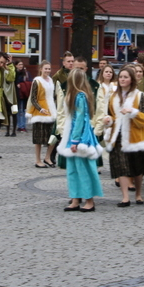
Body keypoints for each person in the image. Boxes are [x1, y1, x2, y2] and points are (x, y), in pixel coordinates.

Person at [101, 66, 144, 207]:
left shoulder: (139, 95)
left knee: (137, 167)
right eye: (121, 77)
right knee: (121, 166)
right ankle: (125, 197)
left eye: (126, 77)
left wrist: (132, 112)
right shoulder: (113, 96)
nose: (122, 79)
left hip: (135, 136)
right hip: (117, 135)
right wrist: (108, 120)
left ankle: (138, 194)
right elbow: (109, 114)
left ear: (131, 79)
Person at [58, 69, 104, 212]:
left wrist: (75, 140)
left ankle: (89, 200)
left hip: (79, 137)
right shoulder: (75, 95)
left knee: (83, 169)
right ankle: (76, 199)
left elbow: (80, 120)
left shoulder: (79, 96)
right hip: (72, 136)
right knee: (72, 170)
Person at [27, 61, 57, 167]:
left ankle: (47, 157)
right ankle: (37, 160)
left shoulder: (51, 80)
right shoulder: (37, 81)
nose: (48, 71)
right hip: (39, 113)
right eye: (46, 68)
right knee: (39, 138)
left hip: (51, 111)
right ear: (41, 69)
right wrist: (40, 109)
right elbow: (33, 98)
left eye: (49, 69)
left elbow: (53, 96)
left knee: (54, 136)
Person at [15, 60, 31, 133]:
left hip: (24, 94)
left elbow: (30, 81)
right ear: (16, 65)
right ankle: (20, 126)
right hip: (17, 94)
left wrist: (22, 85)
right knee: (19, 110)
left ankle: (23, 126)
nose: (21, 66)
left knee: (23, 110)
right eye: (19, 64)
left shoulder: (26, 73)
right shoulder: (15, 73)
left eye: (21, 64)